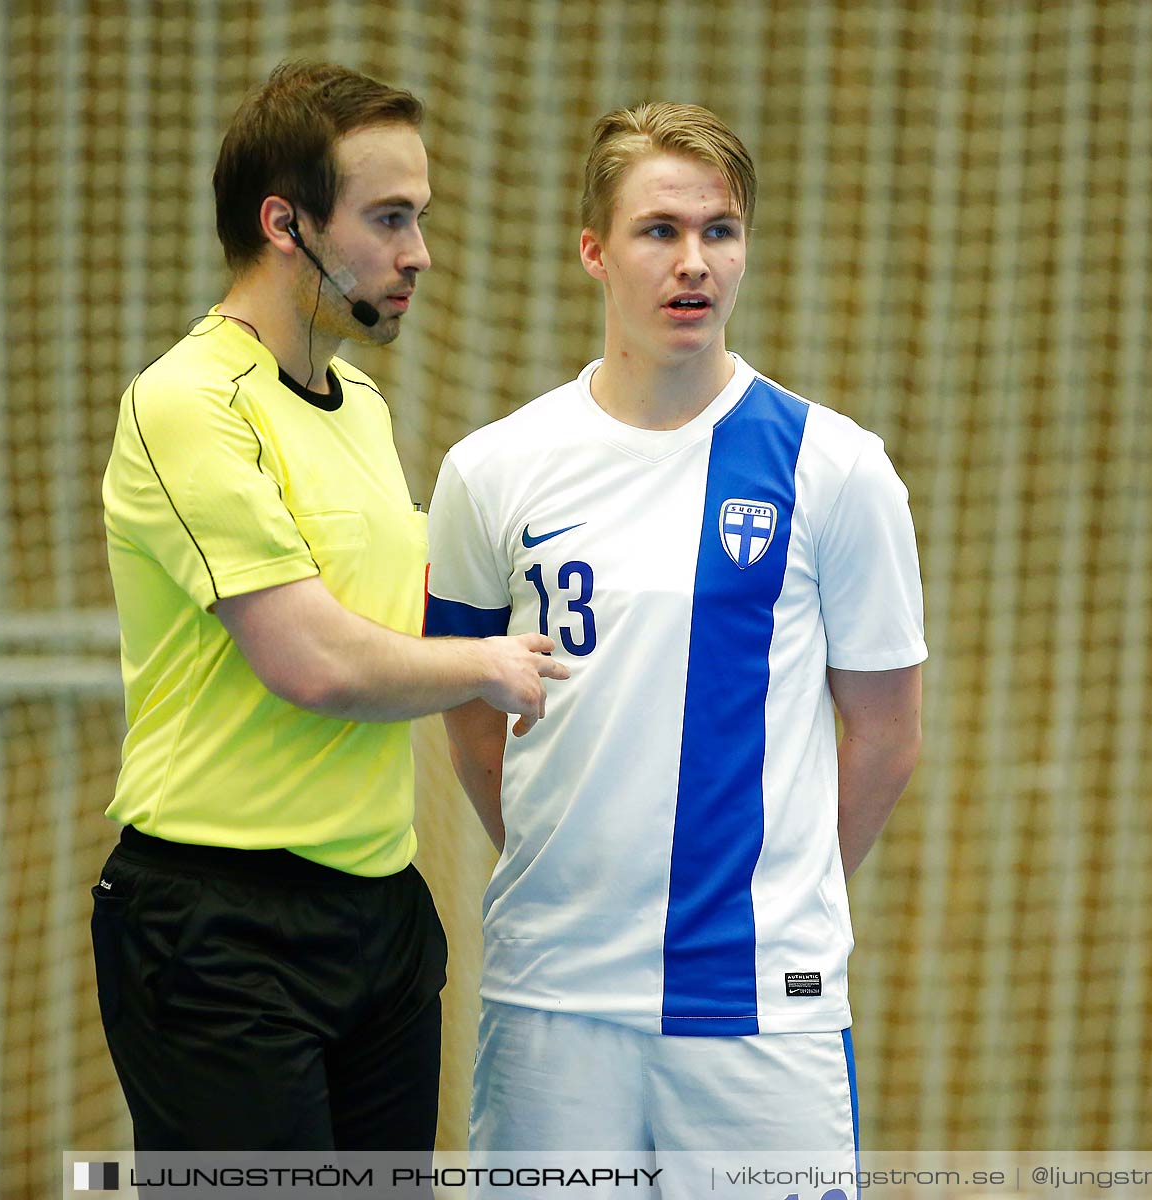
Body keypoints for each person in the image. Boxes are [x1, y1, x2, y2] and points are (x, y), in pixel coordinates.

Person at [425, 102, 926, 1184]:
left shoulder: (835, 469)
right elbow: (468, 712)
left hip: (759, 1007)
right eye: (660, 231)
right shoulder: (492, 469)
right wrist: (558, 863)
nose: (694, 263)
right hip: (552, 992)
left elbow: (885, 735)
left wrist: (778, 899)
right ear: (594, 252)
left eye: (721, 231)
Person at [92, 60, 566, 1156]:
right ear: (285, 222)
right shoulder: (187, 402)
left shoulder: (358, 404)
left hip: (380, 912)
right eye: (389, 218)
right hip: (217, 925)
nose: (419, 255)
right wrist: (493, 664)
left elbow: (388, 621)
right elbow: (310, 660)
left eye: (422, 218)